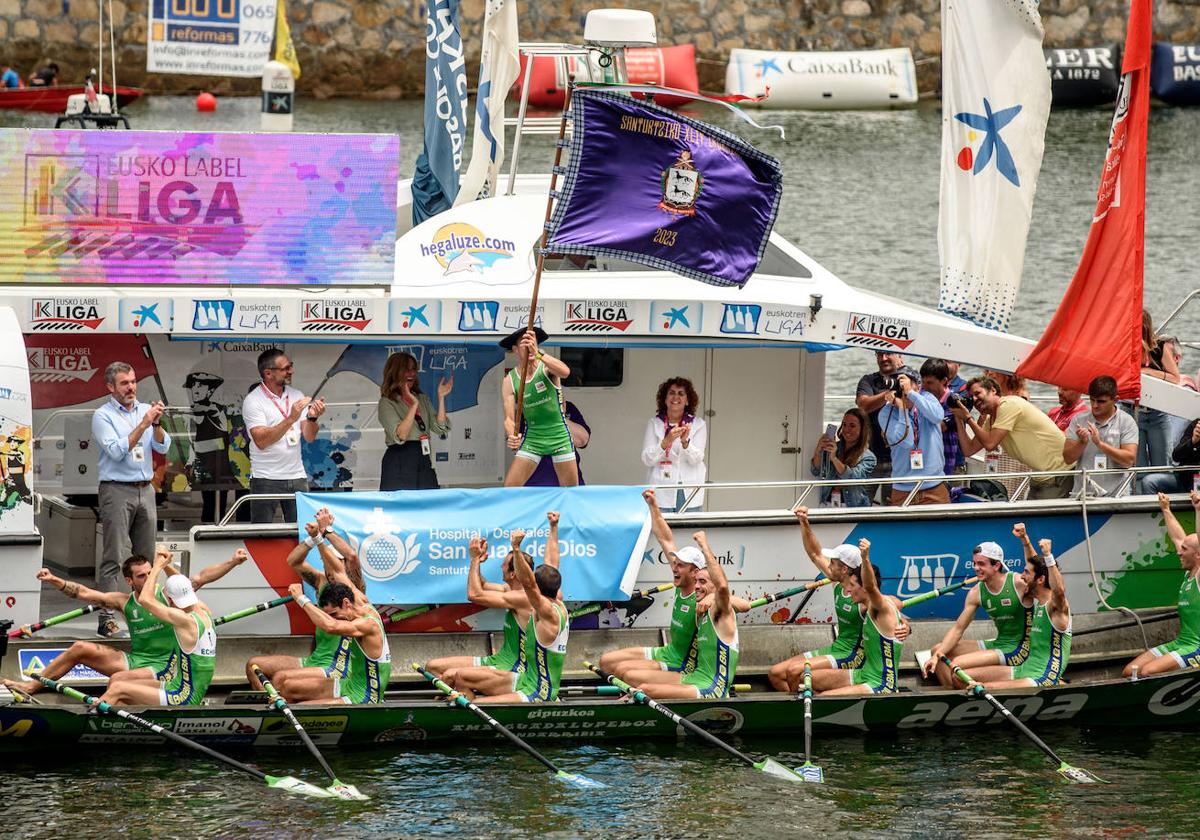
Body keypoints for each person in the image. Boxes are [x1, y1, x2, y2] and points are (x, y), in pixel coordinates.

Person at [2, 548, 246, 697]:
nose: (149, 577)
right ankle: (33, 686)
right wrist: (54, 579)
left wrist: (233, 562)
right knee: (80, 648)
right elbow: (85, 594)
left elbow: (201, 577)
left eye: (150, 572)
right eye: (142, 576)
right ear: (130, 581)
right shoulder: (123, 602)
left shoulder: (168, 595)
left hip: (167, 666)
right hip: (136, 661)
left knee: (117, 683)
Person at [428, 515, 560, 699]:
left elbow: (474, 595)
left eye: (504, 565)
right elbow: (480, 585)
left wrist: (474, 559)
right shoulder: (509, 589)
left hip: (513, 668)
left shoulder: (523, 598)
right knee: (433, 667)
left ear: (514, 574)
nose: (500, 566)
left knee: (451, 676)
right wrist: (478, 563)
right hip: (498, 660)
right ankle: (466, 696)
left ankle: (468, 699)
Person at [245, 508, 365, 699]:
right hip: (314, 660)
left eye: (336, 560)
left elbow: (351, 557)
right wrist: (312, 539)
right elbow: (293, 560)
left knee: (279, 679)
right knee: (253, 665)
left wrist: (324, 533)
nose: (330, 564)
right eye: (328, 560)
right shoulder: (320, 581)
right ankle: (268, 704)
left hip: (336, 666)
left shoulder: (354, 589)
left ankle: (280, 708)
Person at [91, 361, 171, 638]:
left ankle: (147, 612)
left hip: (145, 488)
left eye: (134, 381)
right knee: (114, 555)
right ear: (111, 387)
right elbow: (116, 451)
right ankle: (106, 617)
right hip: (116, 489)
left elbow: (162, 445)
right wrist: (144, 423)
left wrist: (156, 424)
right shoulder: (103, 416)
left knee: (146, 556)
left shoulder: (143, 410)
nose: (131, 388)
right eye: (125, 383)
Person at [598, 489, 702, 680]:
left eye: (681, 565)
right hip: (666, 652)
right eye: (675, 563)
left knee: (624, 672)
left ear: (695, 572)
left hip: (681, 664)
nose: (675, 568)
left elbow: (724, 595)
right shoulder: (681, 577)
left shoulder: (703, 598)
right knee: (606, 662)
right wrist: (653, 505)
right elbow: (665, 538)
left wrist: (713, 599)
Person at [96, 551, 218, 707]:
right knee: (117, 681)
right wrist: (166, 565)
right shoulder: (205, 613)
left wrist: (158, 566)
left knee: (118, 689)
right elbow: (183, 583)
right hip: (178, 685)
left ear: (170, 599)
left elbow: (145, 599)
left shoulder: (184, 620)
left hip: (183, 697)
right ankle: (118, 716)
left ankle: (98, 716)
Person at [920, 529, 1036, 688]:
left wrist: (1025, 541)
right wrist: (937, 656)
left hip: (1020, 649)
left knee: (957, 664)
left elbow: (1036, 571)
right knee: (937, 650)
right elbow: (958, 629)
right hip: (999, 644)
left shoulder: (1018, 583)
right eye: (974, 563)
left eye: (981, 564)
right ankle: (952, 695)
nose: (976, 567)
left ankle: (968, 695)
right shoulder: (976, 592)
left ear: (997, 565)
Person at [767, 510, 865, 692]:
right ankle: (803, 705)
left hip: (851, 655)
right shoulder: (837, 582)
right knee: (775, 673)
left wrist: (904, 624)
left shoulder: (863, 596)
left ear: (844, 569)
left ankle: (808, 706)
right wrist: (804, 522)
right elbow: (815, 554)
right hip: (836, 648)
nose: (828, 565)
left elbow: (889, 604)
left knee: (795, 671)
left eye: (833, 563)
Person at [474, 525, 571, 704]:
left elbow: (527, 582)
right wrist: (553, 527)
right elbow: (552, 561)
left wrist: (516, 549)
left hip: (540, 692)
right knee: (462, 678)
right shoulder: (557, 599)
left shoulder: (546, 610)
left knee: (476, 704)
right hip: (528, 681)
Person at [959, 537, 1071, 690]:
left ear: (1040, 580)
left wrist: (1049, 556)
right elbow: (1036, 566)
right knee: (961, 678)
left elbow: (1059, 591)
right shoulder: (1038, 603)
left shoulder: (1056, 608)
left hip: (1043, 678)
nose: (1022, 577)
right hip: (1023, 669)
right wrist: (1025, 540)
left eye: (1026, 573)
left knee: (983, 688)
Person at [954, 375, 1074, 499]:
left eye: (977, 393)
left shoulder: (1008, 405)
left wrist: (968, 418)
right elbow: (968, 450)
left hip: (1058, 472)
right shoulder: (991, 419)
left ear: (993, 390)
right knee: (1031, 518)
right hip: (1040, 475)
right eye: (971, 398)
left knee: (1045, 518)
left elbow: (990, 444)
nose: (974, 399)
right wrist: (958, 417)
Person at [1122, 492, 1200, 678]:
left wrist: (1198, 508)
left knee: (1149, 671)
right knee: (1128, 672)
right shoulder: (1189, 573)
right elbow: (1178, 538)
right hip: (1182, 642)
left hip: (1197, 646)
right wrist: (1166, 510)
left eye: (1184, 550)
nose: (1179, 552)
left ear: (1198, 555)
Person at [811, 539, 904, 695]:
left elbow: (871, 586)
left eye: (853, 586)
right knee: (808, 677)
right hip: (863, 674)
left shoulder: (878, 606)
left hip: (881, 684)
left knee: (822, 698)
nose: (848, 589)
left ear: (866, 589)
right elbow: (815, 554)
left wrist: (865, 557)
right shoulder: (872, 609)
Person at [242, 349, 325, 523]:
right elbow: (261, 441)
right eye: (286, 368)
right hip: (265, 478)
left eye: (291, 366)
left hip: (297, 476)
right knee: (262, 536)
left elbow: (309, 437)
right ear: (268, 373)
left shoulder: (296, 395)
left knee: (303, 533)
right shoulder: (253, 400)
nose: (291, 371)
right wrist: (291, 418)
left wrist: (312, 417)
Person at [289, 577, 392, 705]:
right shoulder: (360, 603)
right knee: (288, 687)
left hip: (364, 697)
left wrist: (301, 598)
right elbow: (338, 572)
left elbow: (331, 626)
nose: (334, 619)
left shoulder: (367, 624)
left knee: (301, 707)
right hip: (350, 685)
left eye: (334, 614)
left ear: (346, 603)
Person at [501, 328, 578, 488]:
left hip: (559, 436)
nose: (529, 346)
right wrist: (511, 436)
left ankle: (562, 514)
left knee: (570, 492)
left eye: (533, 342)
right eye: (524, 343)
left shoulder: (546, 367)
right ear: (515, 349)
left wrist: (539, 354)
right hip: (533, 438)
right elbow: (509, 418)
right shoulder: (510, 379)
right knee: (510, 489)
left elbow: (565, 372)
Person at [377, 351, 452, 491]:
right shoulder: (386, 402)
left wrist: (441, 398)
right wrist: (413, 406)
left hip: (423, 457)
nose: (411, 373)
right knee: (400, 507)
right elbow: (401, 435)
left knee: (428, 503)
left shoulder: (422, 398)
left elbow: (440, 427)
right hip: (400, 458)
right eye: (406, 369)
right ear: (395, 372)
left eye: (413, 369)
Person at [856, 352, 921, 500]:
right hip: (871, 458)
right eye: (879, 354)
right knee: (860, 505)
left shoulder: (912, 378)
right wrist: (891, 391)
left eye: (888, 354)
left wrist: (906, 388)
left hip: (901, 460)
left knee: (894, 508)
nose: (883, 358)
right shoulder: (869, 380)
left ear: (900, 355)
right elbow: (863, 405)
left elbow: (922, 404)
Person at [1062, 375, 1139, 497]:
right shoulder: (1078, 419)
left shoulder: (1127, 421)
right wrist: (1081, 443)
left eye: (1101, 401)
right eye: (1092, 400)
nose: (1095, 405)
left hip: (1116, 496)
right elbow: (1068, 459)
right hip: (1083, 496)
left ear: (1116, 400)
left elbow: (1129, 460)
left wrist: (1100, 444)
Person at [879, 371, 948, 505]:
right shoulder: (886, 413)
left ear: (918, 386)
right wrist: (901, 408)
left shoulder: (927, 398)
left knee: (941, 527)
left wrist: (911, 393)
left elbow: (938, 416)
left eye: (905, 383)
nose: (902, 389)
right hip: (903, 490)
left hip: (934, 487)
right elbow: (906, 441)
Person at [641, 377, 708, 512]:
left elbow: (697, 459)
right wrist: (666, 442)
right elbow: (647, 459)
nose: (675, 397)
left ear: (687, 400)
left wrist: (685, 443)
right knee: (661, 532)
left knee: (688, 532)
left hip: (689, 491)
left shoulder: (698, 424)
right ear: (665, 399)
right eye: (671, 393)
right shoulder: (655, 423)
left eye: (681, 393)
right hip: (661, 491)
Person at [183, 371, 233, 524]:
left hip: (218, 467)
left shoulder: (217, 410)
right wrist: (190, 461)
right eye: (193, 386)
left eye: (201, 385)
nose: (196, 389)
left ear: (210, 391)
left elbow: (222, 433)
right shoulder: (187, 412)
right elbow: (189, 440)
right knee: (208, 506)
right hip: (201, 467)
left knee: (218, 505)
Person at [809, 408, 875, 507]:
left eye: (852, 426)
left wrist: (834, 459)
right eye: (844, 424)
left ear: (862, 429)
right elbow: (816, 471)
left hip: (853, 507)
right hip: (827, 503)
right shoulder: (834, 447)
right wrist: (818, 451)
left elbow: (852, 478)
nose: (846, 429)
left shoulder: (868, 457)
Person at [527, 401, 590, 486]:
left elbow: (582, 441)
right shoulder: (527, 408)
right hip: (535, 484)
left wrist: (558, 415)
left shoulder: (568, 407)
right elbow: (517, 444)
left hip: (570, 485)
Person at [920, 358, 965, 476]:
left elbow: (939, 426)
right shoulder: (919, 396)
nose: (925, 387)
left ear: (944, 381)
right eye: (923, 382)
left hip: (946, 464)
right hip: (921, 463)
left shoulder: (953, 401)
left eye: (930, 383)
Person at [1142, 419, 1200, 495]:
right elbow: (1176, 456)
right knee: (1149, 482)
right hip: (1183, 479)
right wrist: (1193, 441)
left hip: (1197, 483)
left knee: (1197, 490)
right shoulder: (1196, 424)